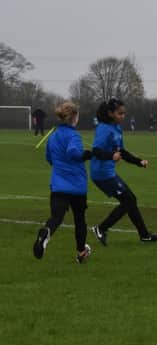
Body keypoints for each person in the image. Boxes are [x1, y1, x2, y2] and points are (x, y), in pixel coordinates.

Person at [90, 98, 157, 246]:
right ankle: (101, 228)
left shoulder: (117, 129)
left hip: (108, 173)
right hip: (101, 174)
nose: (123, 116)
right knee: (129, 201)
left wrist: (138, 162)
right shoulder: (104, 129)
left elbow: (121, 151)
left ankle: (144, 235)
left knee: (130, 200)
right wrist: (111, 156)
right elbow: (96, 151)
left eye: (124, 113)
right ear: (110, 113)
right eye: (120, 113)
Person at [33, 102, 93, 263]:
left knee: (56, 217)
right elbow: (73, 153)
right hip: (77, 186)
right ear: (75, 117)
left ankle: (46, 233)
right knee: (79, 219)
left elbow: (49, 159)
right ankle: (81, 253)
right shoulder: (73, 135)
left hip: (59, 184)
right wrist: (86, 155)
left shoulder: (53, 136)